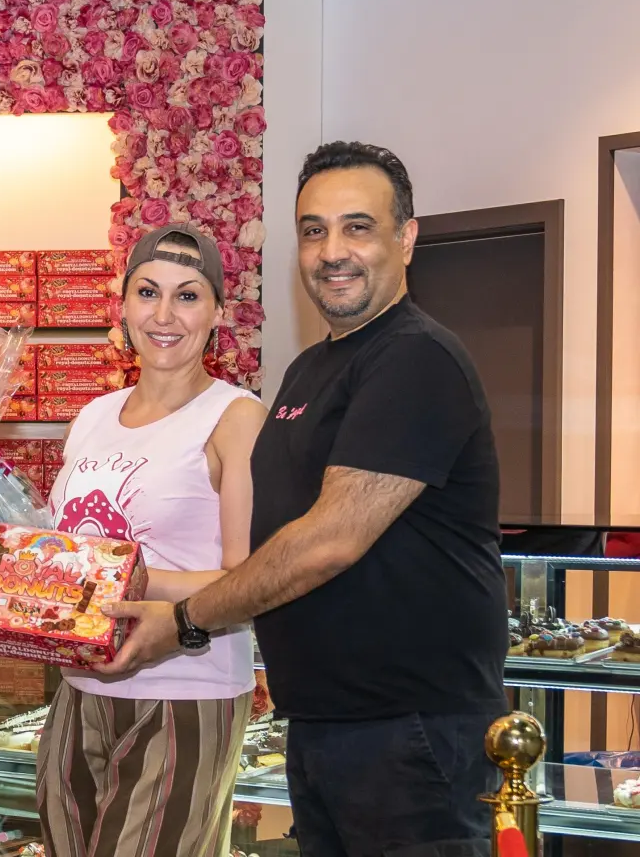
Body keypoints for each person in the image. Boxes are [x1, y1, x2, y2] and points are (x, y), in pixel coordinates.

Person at [99, 142, 506, 857]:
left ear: (406, 238)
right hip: (325, 723)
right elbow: (262, 544)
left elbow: (329, 540)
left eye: (358, 227)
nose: (332, 251)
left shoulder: (416, 357)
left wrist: (185, 622)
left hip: (411, 731)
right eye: (313, 231)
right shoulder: (313, 369)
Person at [38, 223, 265, 857]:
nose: (165, 315)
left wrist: (121, 575)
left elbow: (248, 579)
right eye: (147, 292)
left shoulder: (235, 416)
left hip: (184, 691)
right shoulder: (91, 418)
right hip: (78, 688)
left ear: (218, 310)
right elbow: (67, 550)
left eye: (188, 296)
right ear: (125, 304)